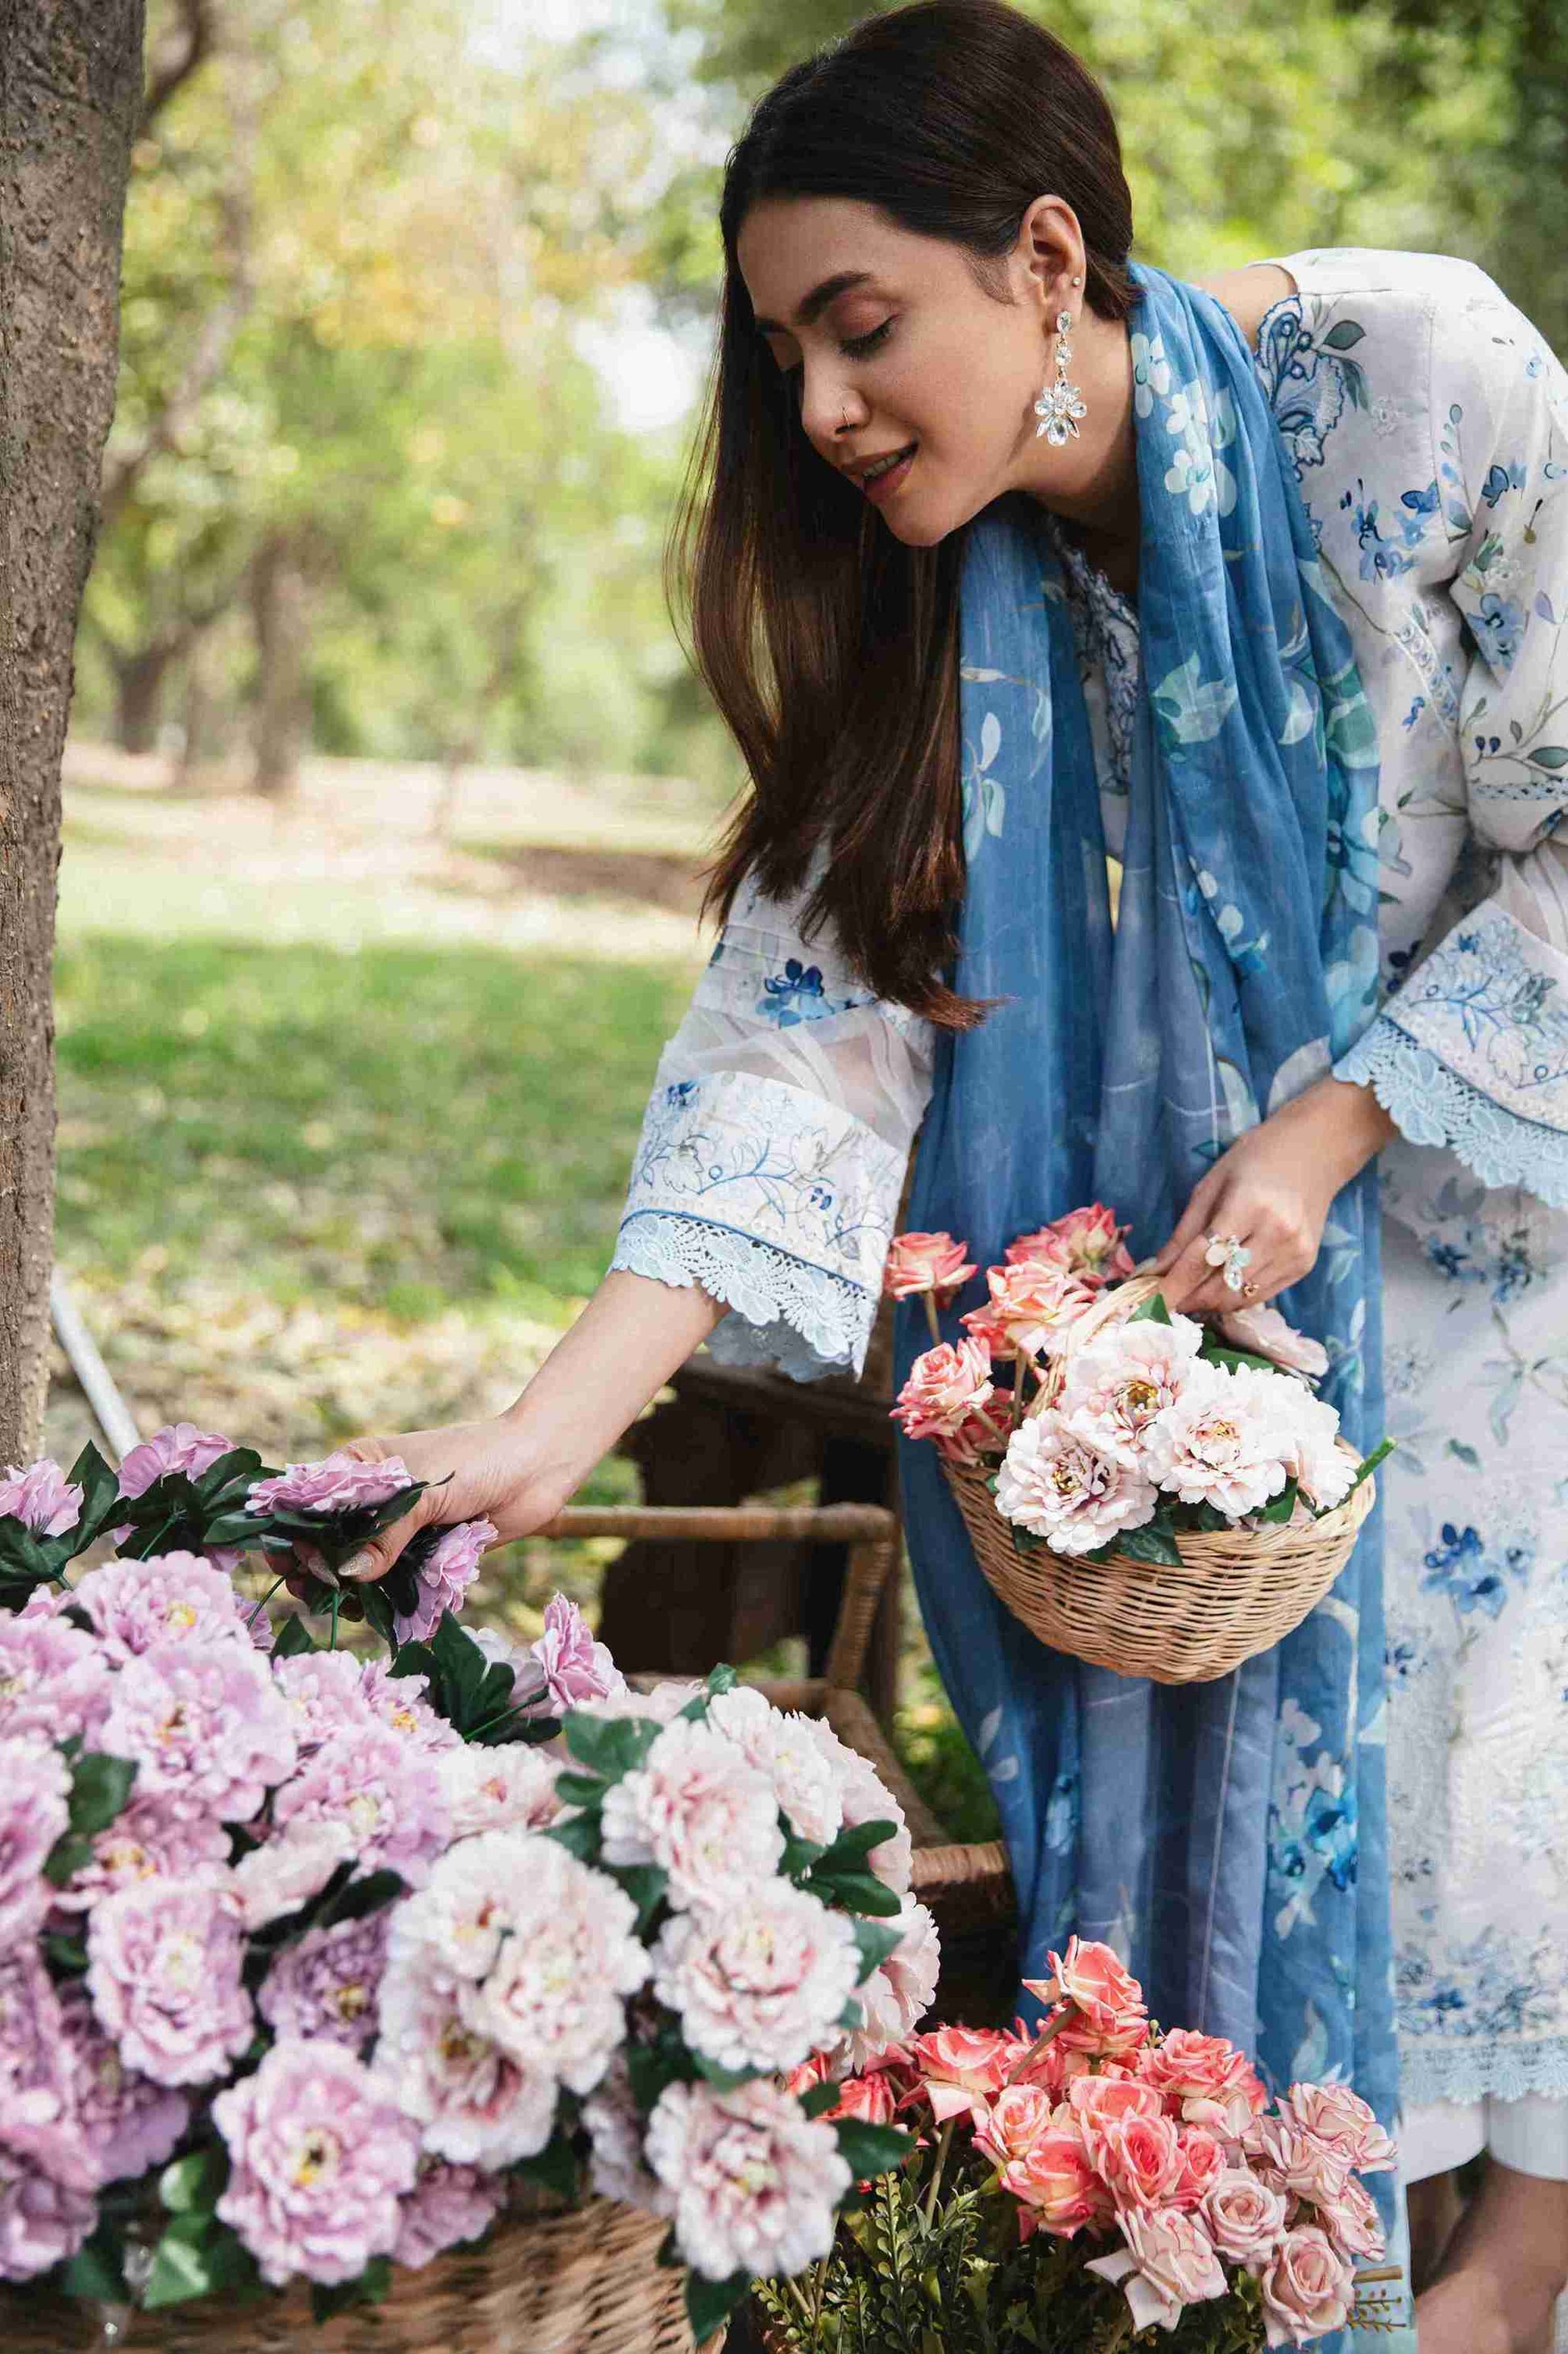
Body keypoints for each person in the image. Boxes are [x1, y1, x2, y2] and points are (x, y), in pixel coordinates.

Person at [330, 5, 1568, 2344]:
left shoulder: (1410, 387)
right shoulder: (932, 602)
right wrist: (544, 1428)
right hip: (1202, 1369)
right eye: (783, 347)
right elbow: (794, 1035)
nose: (816, 406)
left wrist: (1327, 1124)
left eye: (858, 324)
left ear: (1039, 253)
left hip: (1502, 1268)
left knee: (1497, 1865)